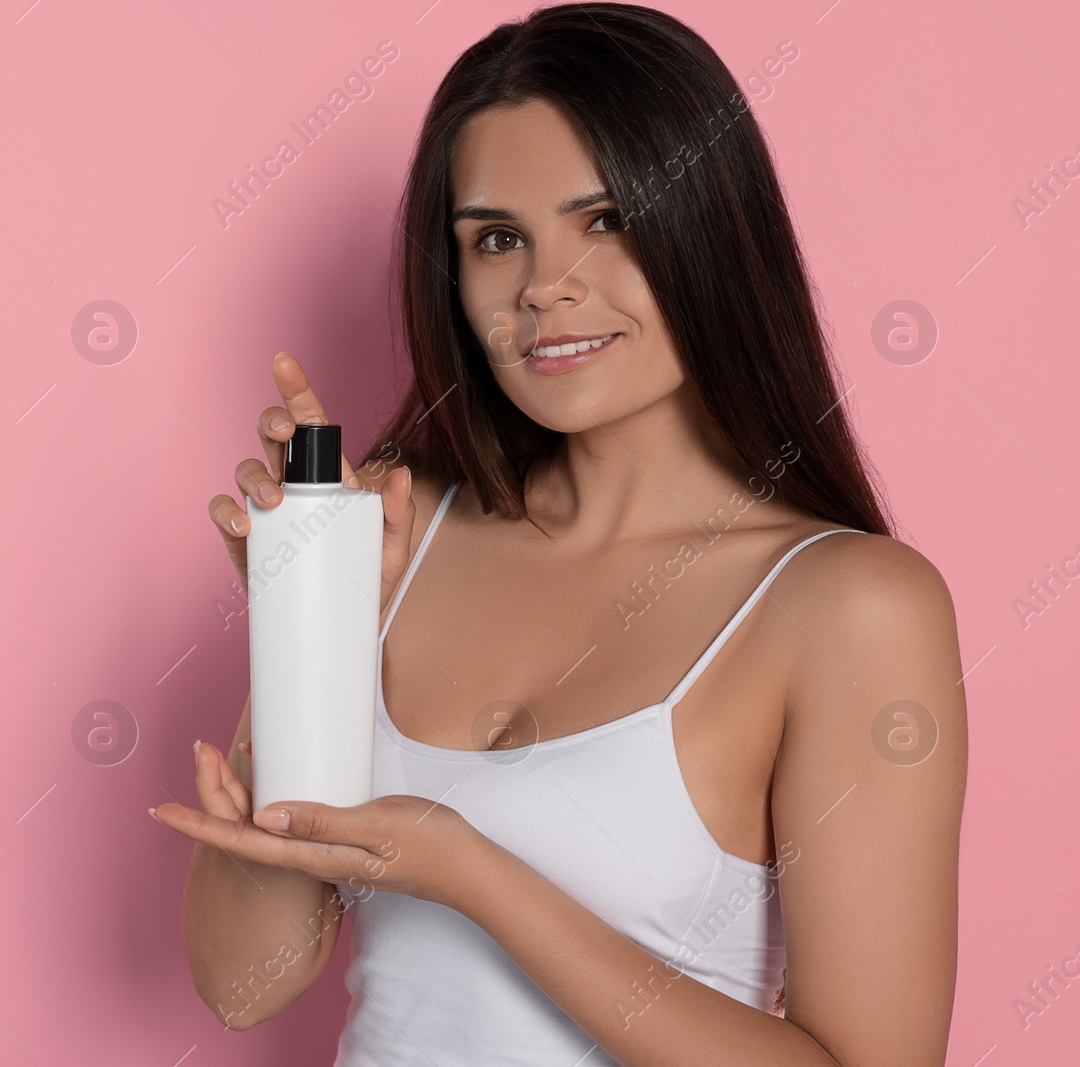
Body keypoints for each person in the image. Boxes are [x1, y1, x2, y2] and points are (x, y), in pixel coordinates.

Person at [150, 4, 967, 1063]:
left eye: (607, 219)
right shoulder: (397, 530)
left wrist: (470, 870)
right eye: (496, 238)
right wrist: (310, 626)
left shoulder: (849, 604)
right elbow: (241, 983)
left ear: (713, 227)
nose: (543, 286)